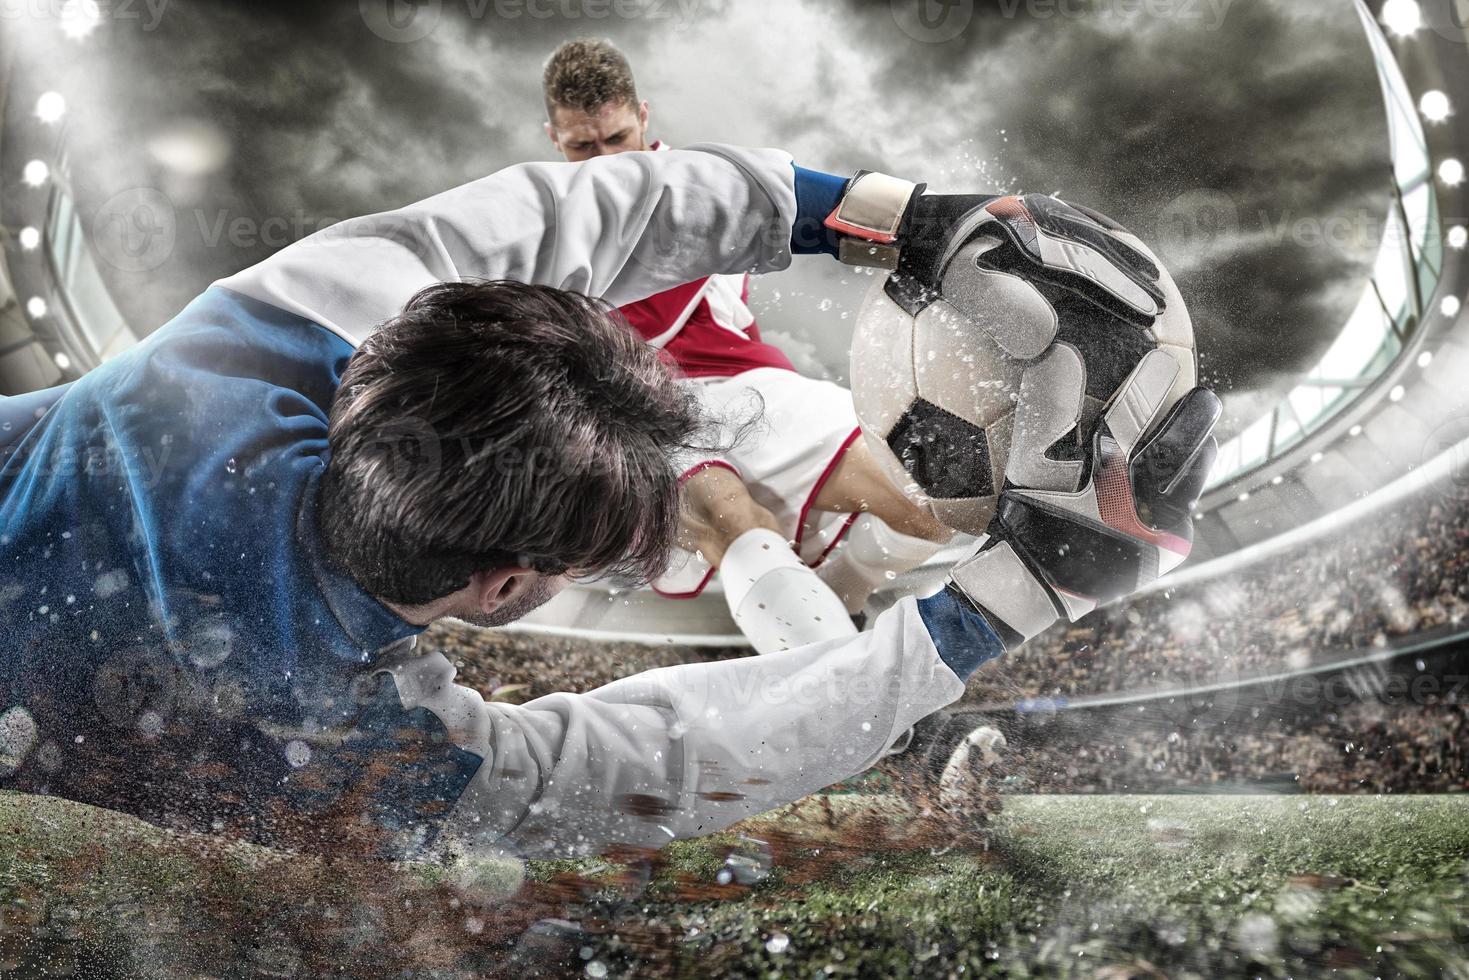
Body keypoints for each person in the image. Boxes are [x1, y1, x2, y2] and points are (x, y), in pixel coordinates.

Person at [0, 140, 1217, 859]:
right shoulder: (338, 743)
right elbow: (668, 758)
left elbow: (577, 209)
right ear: (507, 587)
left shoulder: (255, 335)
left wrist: (884, 215)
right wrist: (1009, 597)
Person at [542, 39, 954, 652]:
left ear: (643, 117)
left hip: (747, 385)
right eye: (582, 147)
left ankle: (842, 599)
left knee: (929, 500)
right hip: (636, 415)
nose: (603, 161)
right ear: (553, 136)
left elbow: (811, 205)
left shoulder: (703, 182)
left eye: (615, 139)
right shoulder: (538, 217)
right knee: (731, 523)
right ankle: (835, 688)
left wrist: (931, 227)